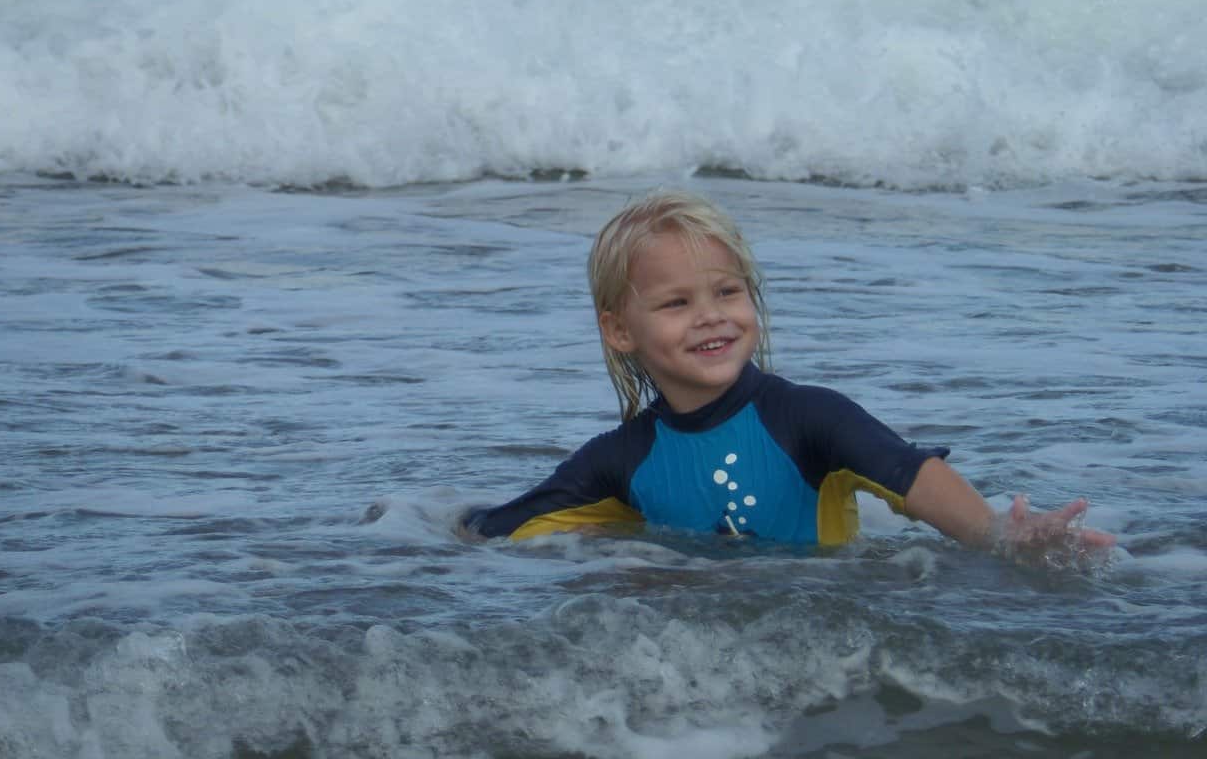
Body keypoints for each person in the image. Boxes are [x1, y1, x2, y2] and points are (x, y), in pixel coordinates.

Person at [464, 190, 1114, 560]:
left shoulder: (808, 419)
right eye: (676, 303)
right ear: (620, 331)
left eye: (727, 292)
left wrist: (997, 534)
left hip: (827, 638)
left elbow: (908, 474)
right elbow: (503, 527)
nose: (710, 317)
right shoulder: (619, 458)